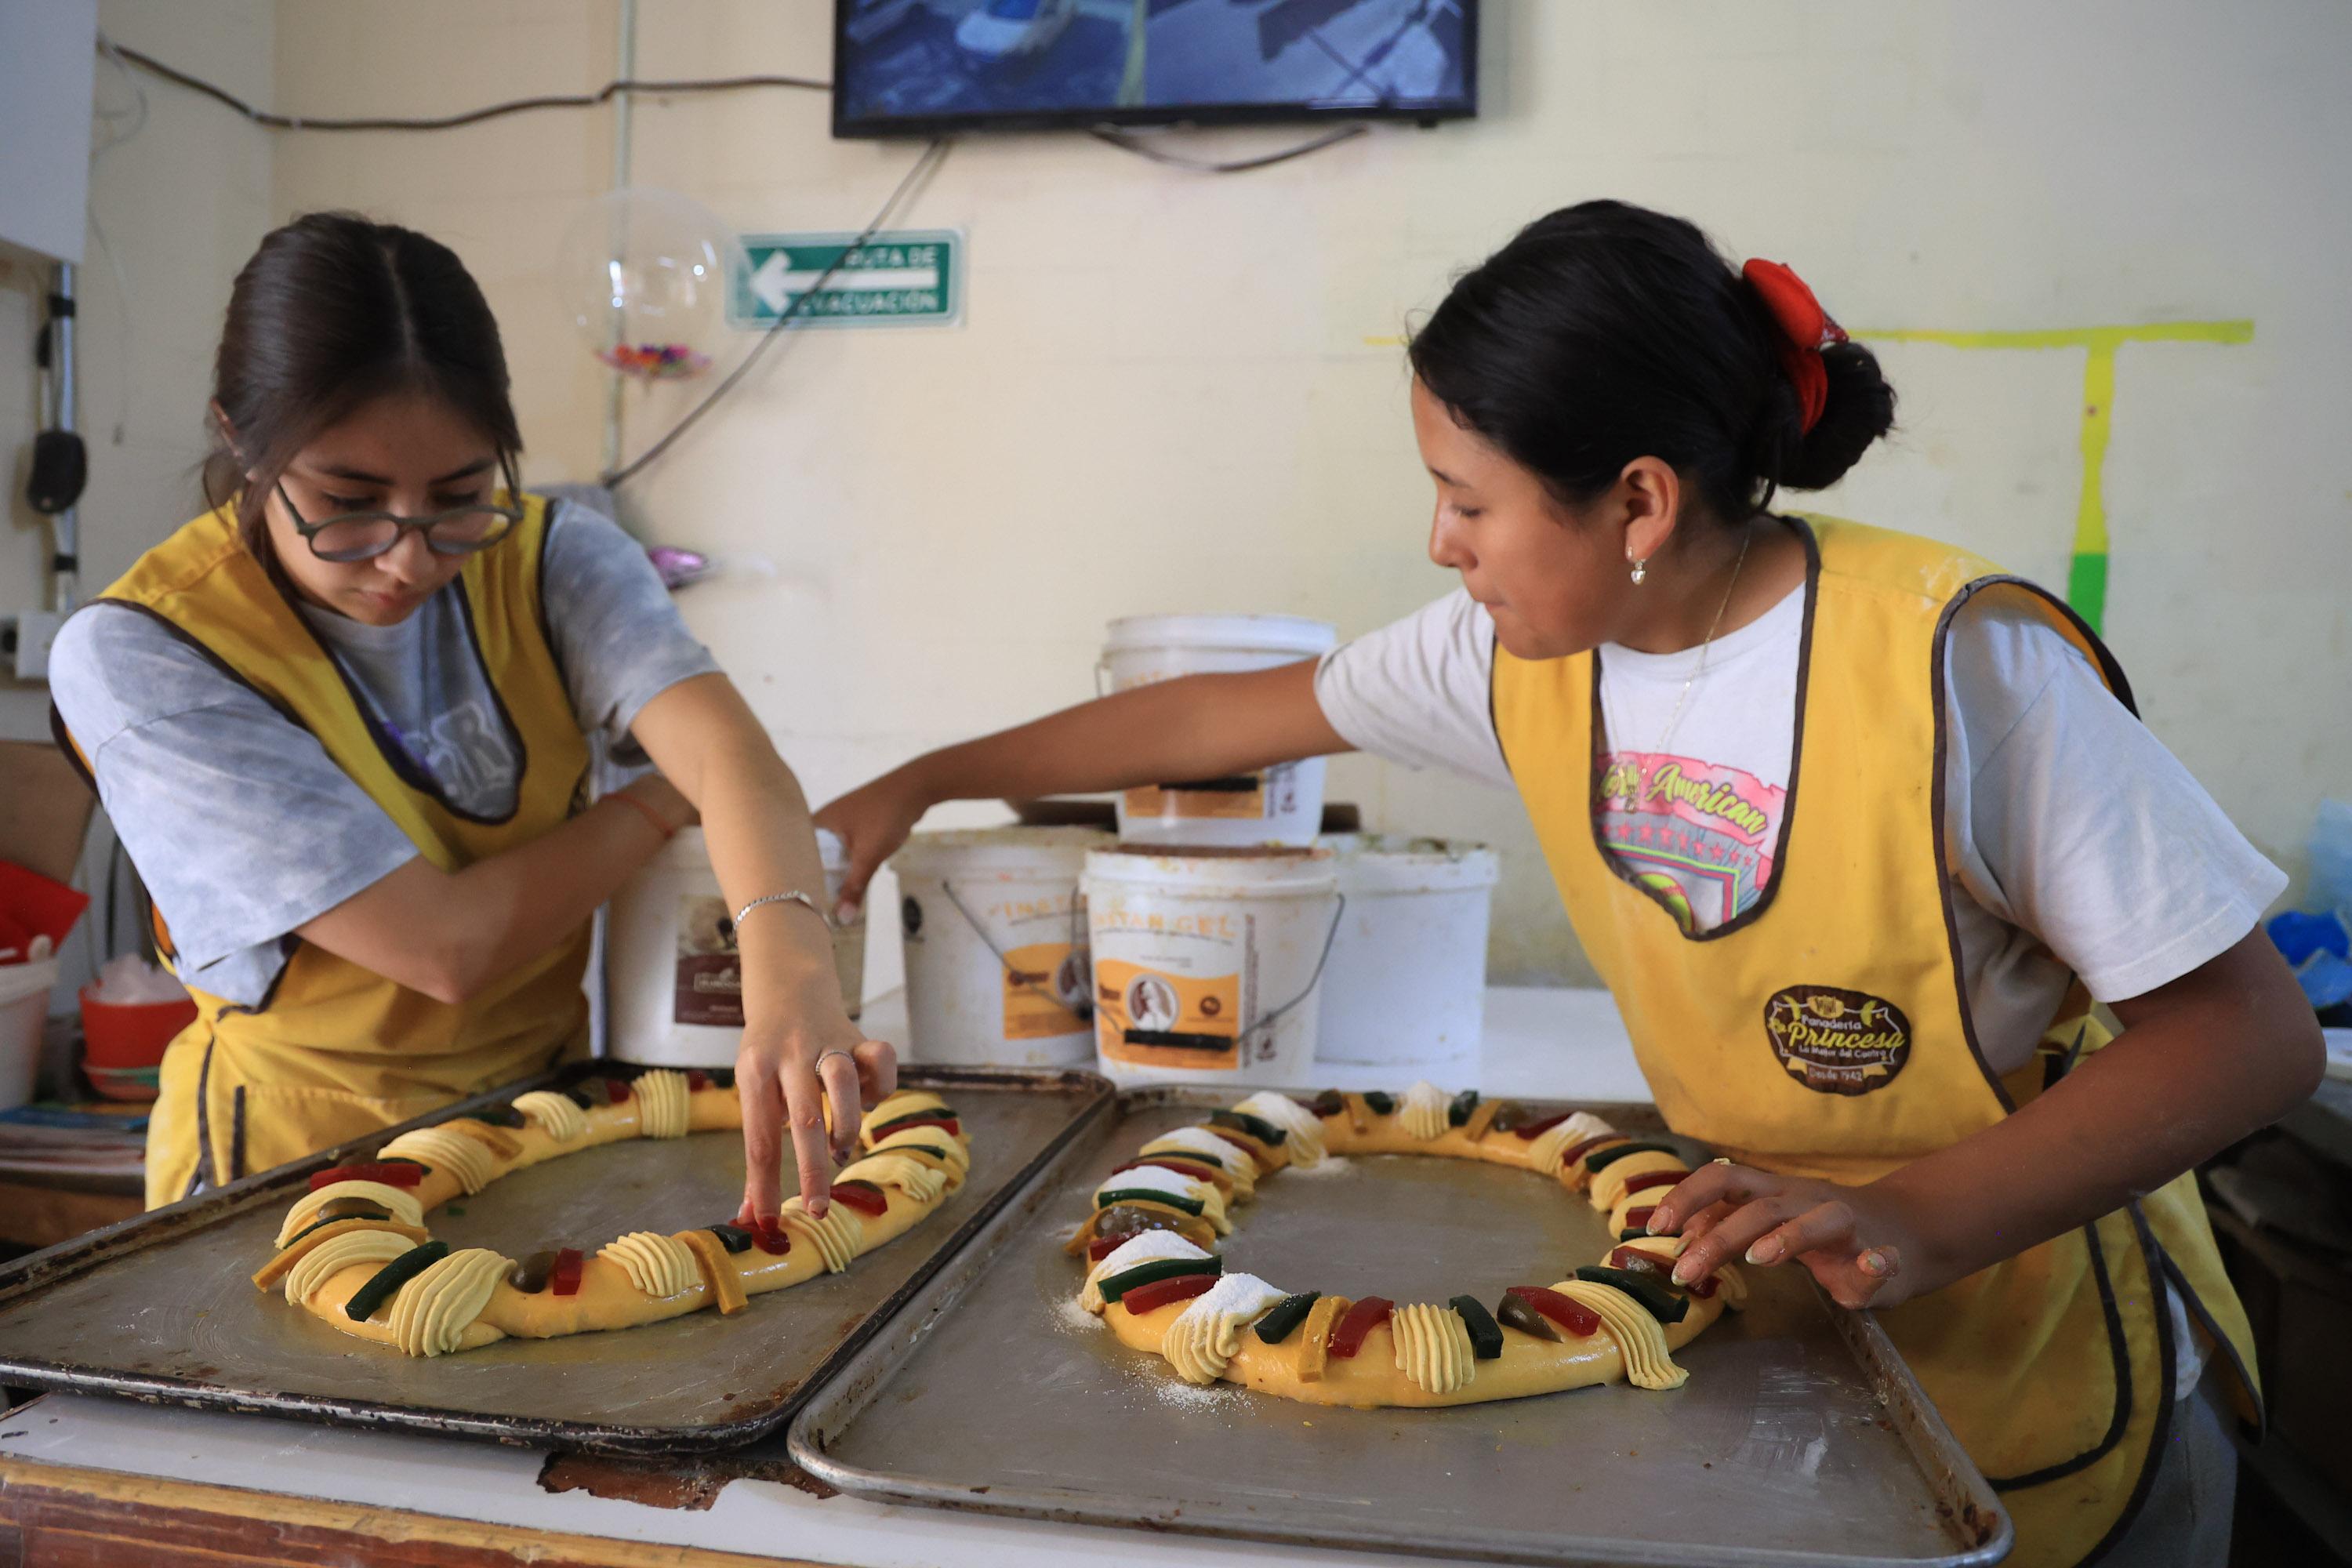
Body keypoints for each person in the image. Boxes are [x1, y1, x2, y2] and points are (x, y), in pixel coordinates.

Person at [816, 201, 2321, 1566]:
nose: (1439, 542)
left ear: (1640, 506)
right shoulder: (1514, 652)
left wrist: (1918, 1216)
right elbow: (1218, 717)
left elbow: (2248, 1039)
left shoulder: (1956, 669)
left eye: (1468, 500)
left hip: (2022, 1332)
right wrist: (923, 774)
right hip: (1761, 1305)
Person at [50, 212, 888, 1229]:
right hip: (301, 1155)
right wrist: (660, 799)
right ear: (240, 435)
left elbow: (736, 759)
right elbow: (444, 950)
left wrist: (792, 973)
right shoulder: (150, 654)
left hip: (545, 1117)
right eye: (349, 503)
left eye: (459, 497)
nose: (408, 557)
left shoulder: (551, 557)